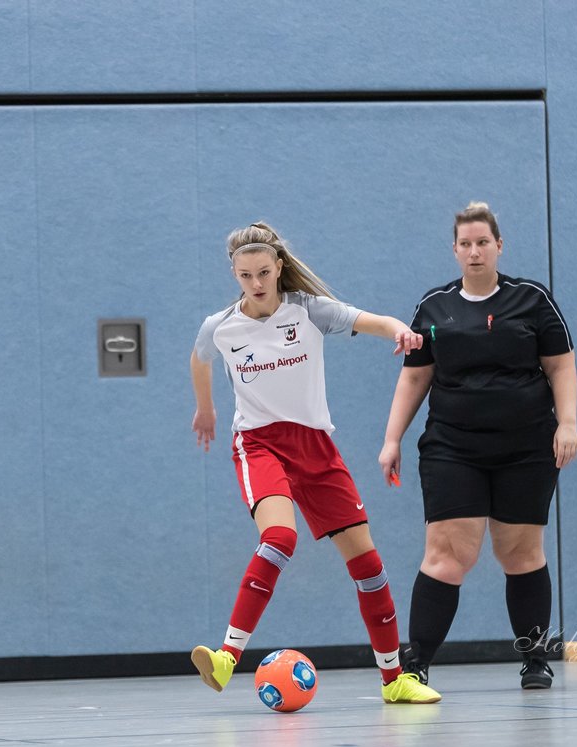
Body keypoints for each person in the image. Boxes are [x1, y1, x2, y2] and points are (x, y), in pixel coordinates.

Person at [189, 222, 441, 705]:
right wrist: (207, 408)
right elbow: (200, 360)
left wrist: (401, 332)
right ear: (235, 275)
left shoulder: (308, 311)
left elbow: (373, 320)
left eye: (264, 272)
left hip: (316, 449)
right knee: (280, 537)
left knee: (369, 566)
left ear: (279, 267)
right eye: (246, 276)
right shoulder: (220, 327)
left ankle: (395, 681)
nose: (257, 283)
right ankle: (226, 656)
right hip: (259, 444)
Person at [378, 202, 577, 691]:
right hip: (453, 447)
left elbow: (561, 366)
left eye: (482, 242)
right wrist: (391, 439)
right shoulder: (434, 307)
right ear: (454, 250)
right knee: (447, 553)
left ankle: (535, 659)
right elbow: (415, 377)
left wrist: (567, 424)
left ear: (499, 246)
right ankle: (417, 663)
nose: (474, 251)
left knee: (520, 553)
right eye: (465, 244)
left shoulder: (532, 300)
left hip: (527, 447)